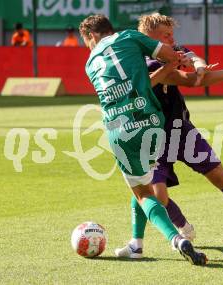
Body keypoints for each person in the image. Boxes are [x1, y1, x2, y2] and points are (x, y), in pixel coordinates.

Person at [115, 13, 223, 259]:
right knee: (157, 195)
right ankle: (181, 227)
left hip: (180, 129)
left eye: (171, 34)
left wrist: (197, 65)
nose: (172, 39)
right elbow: (181, 81)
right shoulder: (139, 60)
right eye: (166, 35)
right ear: (149, 35)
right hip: (152, 137)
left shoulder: (170, 50)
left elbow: (194, 60)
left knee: (220, 176)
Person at [78, 14, 207, 265]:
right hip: (152, 120)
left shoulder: (90, 62)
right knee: (141, 180)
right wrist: (181, 62)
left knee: (142, 192)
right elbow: (169, 55)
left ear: (91, 36)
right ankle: (136, 244)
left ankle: (176, 239)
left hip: (119, 127)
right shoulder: (130, 36)